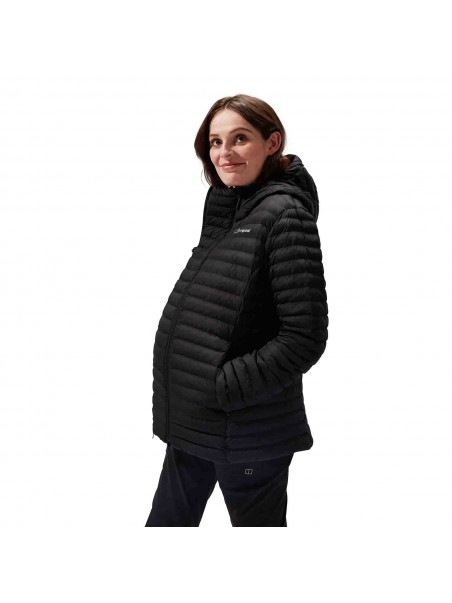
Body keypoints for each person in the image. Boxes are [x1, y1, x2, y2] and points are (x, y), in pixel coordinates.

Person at [145, 94, 329, 527]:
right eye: (215, 142)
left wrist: (224, 388)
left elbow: (304, 337)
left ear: (272, 142)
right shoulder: (227, 208)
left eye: (240, 138)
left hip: (245, 432)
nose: (224, 153)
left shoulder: (285, 215)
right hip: (195, 423)